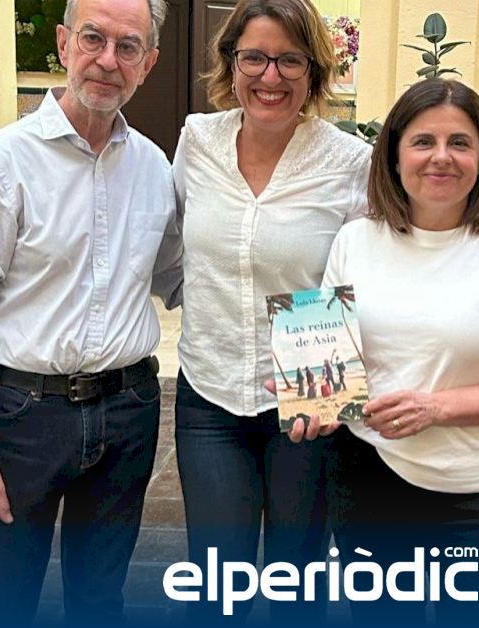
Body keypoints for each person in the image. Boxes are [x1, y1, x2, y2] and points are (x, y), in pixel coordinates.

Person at [0, 0, 180, 623]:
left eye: (127, 46)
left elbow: (180, 279)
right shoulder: (4, 161)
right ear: (64, 44)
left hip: (128, 413)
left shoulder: (154, 168)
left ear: (147, 64)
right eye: (93, 39)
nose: (107, 60)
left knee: (101, 600)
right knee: (4, 599)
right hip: (25, 417)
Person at [305, 78, 479, 627]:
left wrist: (436, 408)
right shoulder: (355, 240)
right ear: (394, 155)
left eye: (460, 143)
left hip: (477, 494)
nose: (441, 157)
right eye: (423, 141)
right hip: (368, 478)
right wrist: (311, 391)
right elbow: (327, 358)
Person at [170, 0, 371, 623]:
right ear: (231, 63)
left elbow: (364, 280)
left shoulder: (348, 161)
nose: (270, 76)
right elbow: (174, 243)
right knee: (217, 587)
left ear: (314, 71)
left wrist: (327, 394)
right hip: (210, 390)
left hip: (310, 393)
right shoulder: (197, 140)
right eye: (253, 58)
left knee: (298, 583)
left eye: (290, 60)